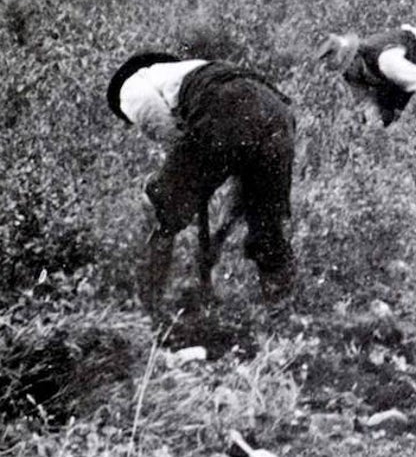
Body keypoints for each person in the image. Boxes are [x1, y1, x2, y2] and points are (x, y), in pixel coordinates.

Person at [106, 52, 296, 310]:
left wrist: (184, 191)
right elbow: (238, 189)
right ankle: (282, 319)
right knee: (267, 228)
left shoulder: (130, 86)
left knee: (161, 206)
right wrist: (217, 239)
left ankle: (147, 313)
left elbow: (177, 141)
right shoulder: (188, 72)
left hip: (228, 106)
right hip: (278, 112)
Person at [317, 25, 416, 178]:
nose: (347, 72)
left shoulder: (387, 61)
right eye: (343, 69)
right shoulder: (350, 73)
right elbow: (366, 103)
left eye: (347, 65)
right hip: (388, 77)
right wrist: (374, 128)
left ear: (355, 57)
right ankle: (381, 175)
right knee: (381, 120)